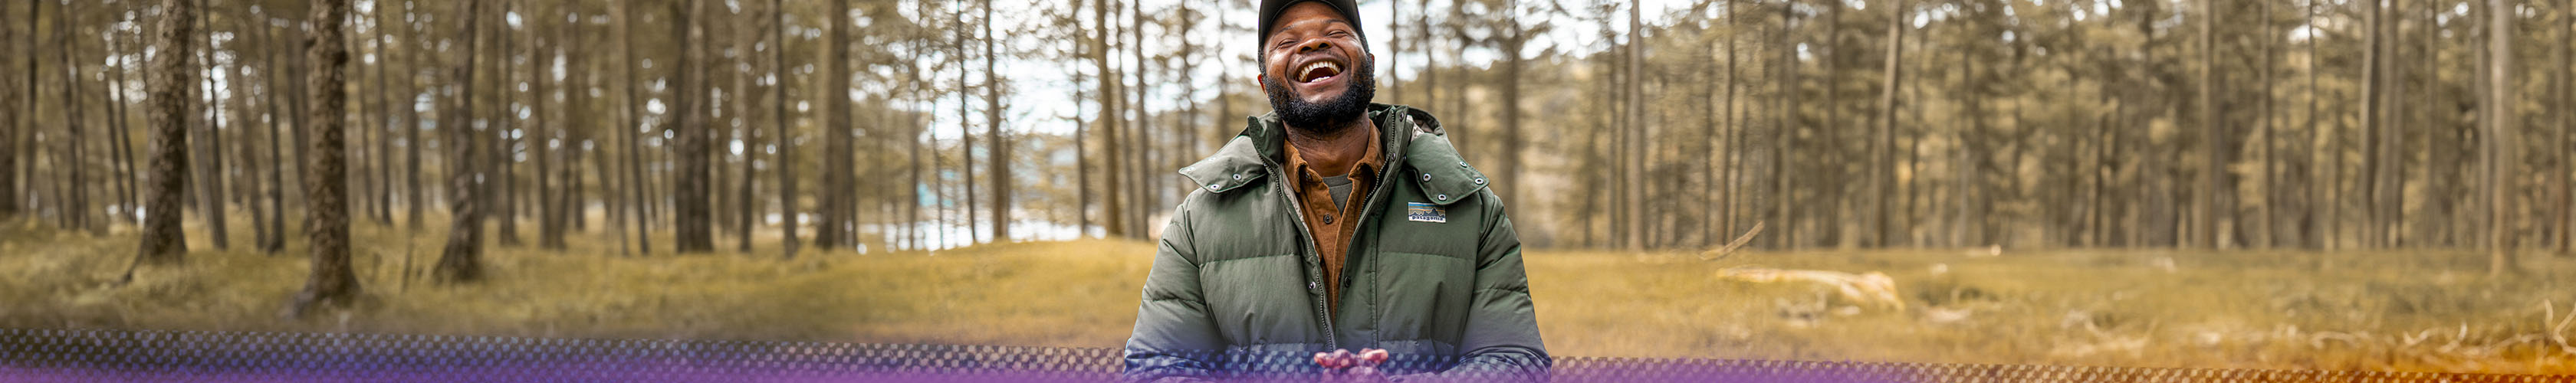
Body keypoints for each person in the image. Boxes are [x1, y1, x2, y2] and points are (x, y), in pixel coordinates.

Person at [1119, 0, 1548, 381]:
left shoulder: (1470, 208)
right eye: (1287, 41)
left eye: (1335, 33)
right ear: (1265, 84)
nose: (1311, 45)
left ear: (1369, 63)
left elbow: (1516, 358)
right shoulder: (1200, 219)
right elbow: (1158, 366)